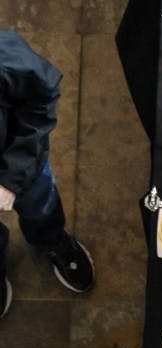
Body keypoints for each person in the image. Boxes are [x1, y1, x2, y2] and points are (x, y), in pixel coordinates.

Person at [0, 30, 95, 318]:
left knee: (40, 206)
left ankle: (52, 239)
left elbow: (40, 99)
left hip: (16, 160)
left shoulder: (4, 56)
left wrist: (11, 178)